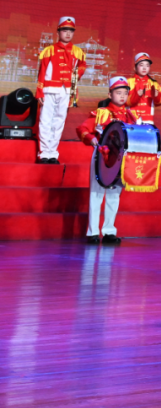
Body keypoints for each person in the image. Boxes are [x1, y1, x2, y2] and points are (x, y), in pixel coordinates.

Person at [77, 76, 139, 245]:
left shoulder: (131, 115)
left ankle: (109, 231)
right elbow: (82, 129)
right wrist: (91, 138)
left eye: (125, 93)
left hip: (120, 159)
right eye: (118, 93)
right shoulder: (101, 112)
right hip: (102, 156)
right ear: (110, 94)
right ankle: (93, 232)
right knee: (96, 194)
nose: (122, 96)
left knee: (114, 194)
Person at [35, 16, 86, 164]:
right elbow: (42, 72)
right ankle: (43, 153)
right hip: (49, 89)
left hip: (66, 90)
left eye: (71, 31)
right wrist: (39, 91)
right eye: (65, 30)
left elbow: (82, 66)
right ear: (58, 32)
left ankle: (53, 153)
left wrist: (76, 75)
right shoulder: (49, 50)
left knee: (59, 122)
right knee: (45, 121)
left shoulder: (78, 51)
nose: (68, 33)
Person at [127, 53, 161, 125]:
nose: (144, 68)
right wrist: (136, 95)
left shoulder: (153, 83)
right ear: (135, 67)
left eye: (147, 65)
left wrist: (156, 96)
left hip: (148, 120)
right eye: (141, 65)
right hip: (131, 119)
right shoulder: (128, 82)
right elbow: (124, 102)